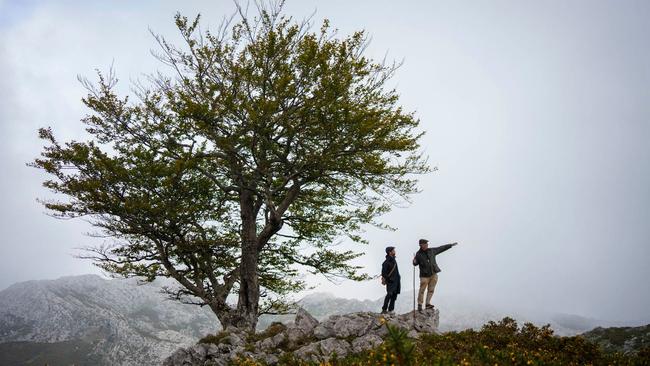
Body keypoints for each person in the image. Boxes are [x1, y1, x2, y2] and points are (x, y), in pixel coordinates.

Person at [412, 239, 458, 311]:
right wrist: (414, 261)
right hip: (424, 276)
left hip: (433, 274)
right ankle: (420, 305)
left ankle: (427, 304)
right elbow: (415, 264)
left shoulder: (432, 250)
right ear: (421, 245)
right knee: (422, 290)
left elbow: (441, 248)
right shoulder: (418, 254)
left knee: (431, 290)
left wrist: (450, 245)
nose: (427, 245)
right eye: (425, 244)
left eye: (427, 244)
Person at [381, 246, 400, 315]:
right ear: (390, 252)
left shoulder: (394, 260)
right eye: (393, 250)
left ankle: (391, 310)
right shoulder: (386, 262)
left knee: (394, 296)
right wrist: (389, 279)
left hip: (396, 281)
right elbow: (383, 273)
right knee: (389, 294)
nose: (395, 251)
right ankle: (384, 309)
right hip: (391, 281)